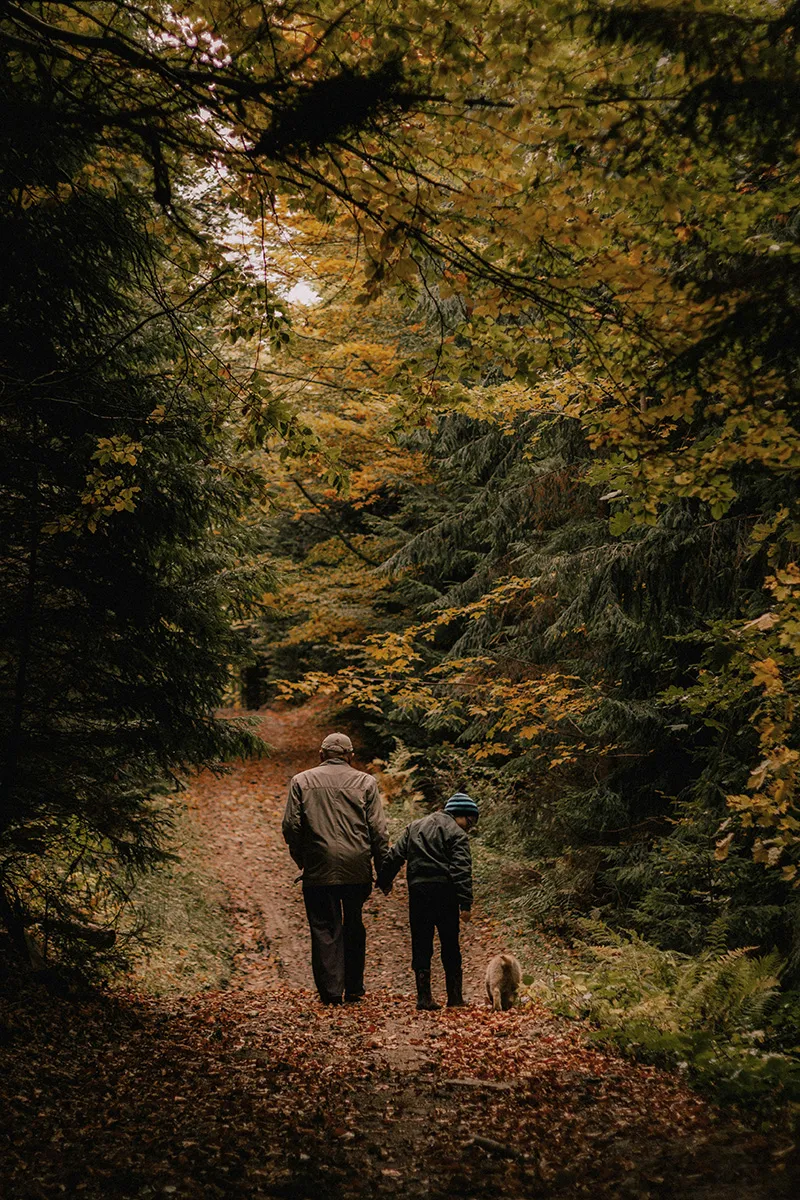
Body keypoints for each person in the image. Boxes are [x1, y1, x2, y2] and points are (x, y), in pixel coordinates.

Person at [282, 731, 388, 1005]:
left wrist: (301, 858)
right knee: (353, 922)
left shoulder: (301, 781)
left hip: (319, 866)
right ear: (349, 756)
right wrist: (383, 870)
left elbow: (291, 826)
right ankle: (354, 988)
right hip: (357, 867)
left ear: (321, 755)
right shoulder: (366, 782)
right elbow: (378, 829)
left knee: (324, 927)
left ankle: (331, 992)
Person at [377, 792, 478, 1011]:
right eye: (469, 821)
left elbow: (395, 855)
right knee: (450, 943)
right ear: (460, 815)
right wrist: (465, 904)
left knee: (421, 942)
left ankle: (424, 998)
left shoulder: (415, 826)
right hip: (446, 892)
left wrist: (384, 880)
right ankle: (455, 998)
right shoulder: (457, 834)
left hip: (419, 891)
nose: (469, 827)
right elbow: (461, 870)